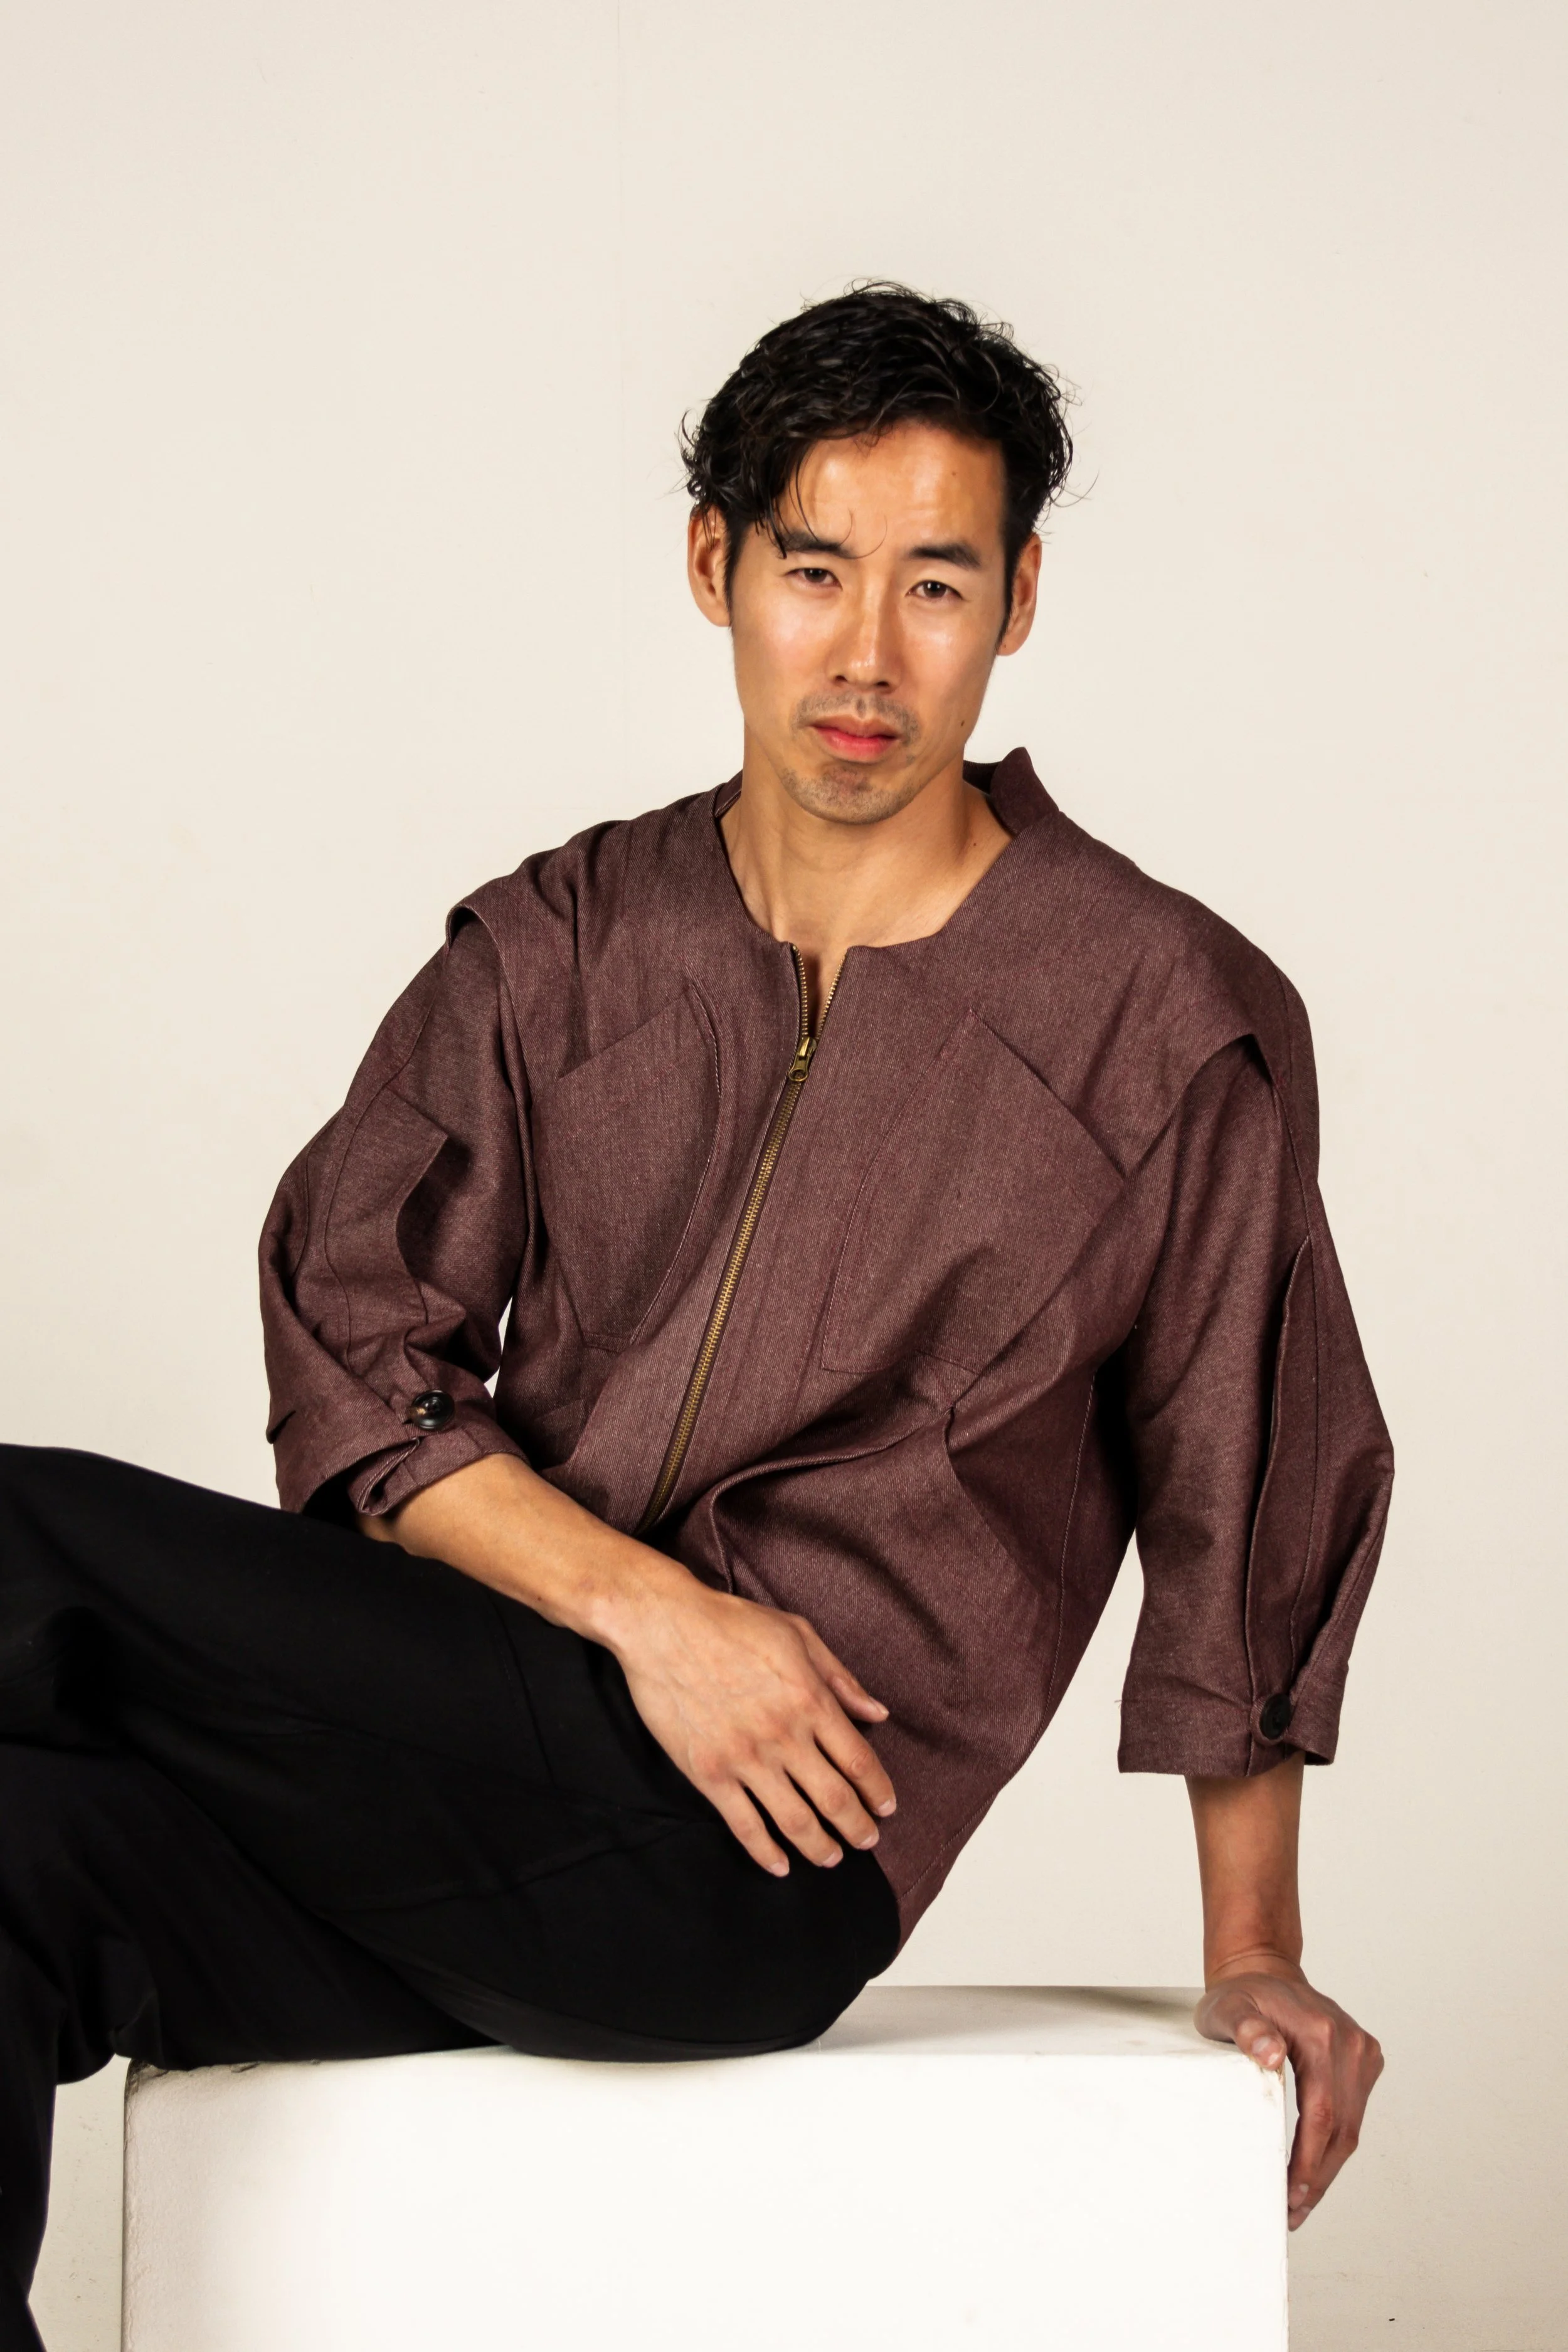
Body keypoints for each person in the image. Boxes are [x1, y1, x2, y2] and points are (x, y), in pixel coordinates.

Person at [0, 285, 1391, 2349]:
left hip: (755, 1855)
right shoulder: (559, 943)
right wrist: (654, 1615)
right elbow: (353, 1338)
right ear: (711, 565)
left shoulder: (1162, 1019)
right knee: (14, 1864)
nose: (864, 651)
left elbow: (1240, 1463)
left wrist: (1257, 1941)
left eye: (934, 582)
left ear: (1016, 601)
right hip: (490, 1740)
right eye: (813, 569)